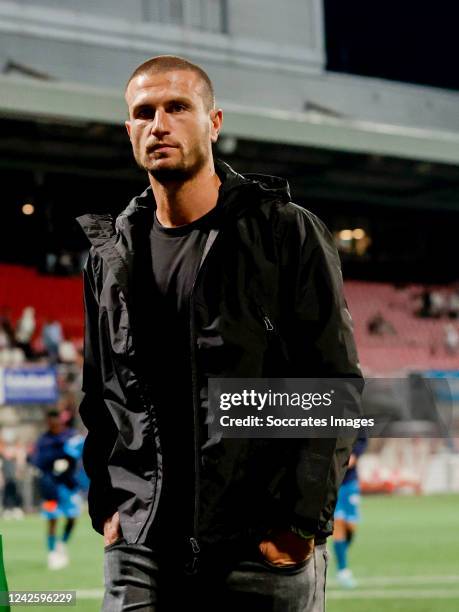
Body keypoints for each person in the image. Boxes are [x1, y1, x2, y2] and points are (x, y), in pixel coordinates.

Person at [77, 55, 362, 611]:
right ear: (128, 130)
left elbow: (333, 383)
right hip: (141, 544)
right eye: (144, 112)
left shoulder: (284, 232)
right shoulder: (110, 252)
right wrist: (109, 508)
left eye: (178, 107)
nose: (159, 123)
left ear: (214, 122)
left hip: (258, 545)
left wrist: (298, 522)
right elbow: (98, 394)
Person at [28, 409, 83, 570]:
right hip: (50, 488)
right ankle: (52, 553)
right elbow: (37, 461)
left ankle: (62, 543)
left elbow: (78, 453)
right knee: (51, 519)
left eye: (56, 422)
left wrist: (67, 460)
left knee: (72, 517)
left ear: (60, 421)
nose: (54, 425)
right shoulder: (43, 441)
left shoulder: (71, 437)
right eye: (50, 423)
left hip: (68, 487)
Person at [332, 435, 367, 588]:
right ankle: (343, 571)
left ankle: (339, 551)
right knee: (338, 521)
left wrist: (353, 456)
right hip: (331, 483)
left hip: (350, 482)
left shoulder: (354, 417)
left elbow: (362, 440)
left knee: (351, 527)